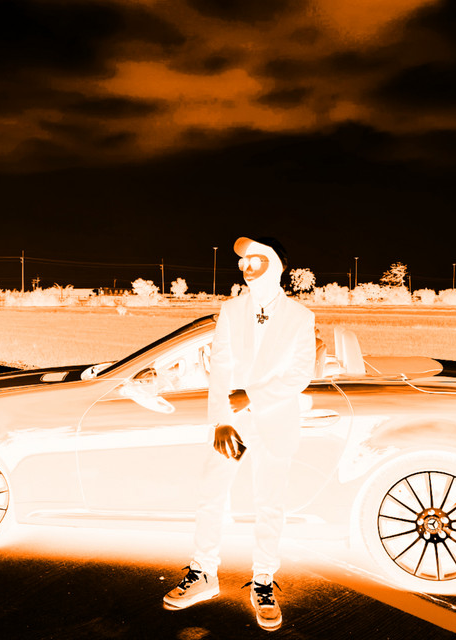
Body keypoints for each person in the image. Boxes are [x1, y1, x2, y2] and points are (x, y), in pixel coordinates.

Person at [163, 236, 316, 631]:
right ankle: (203, 573)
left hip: (275, 422)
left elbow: (300, 374)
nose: (246, 267)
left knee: (270, 504)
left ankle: (263, 581)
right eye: (243, 261)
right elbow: (220, 368)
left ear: (276, 264)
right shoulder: (231, 310)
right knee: (211, 495)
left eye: (255, 260)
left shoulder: (300, 317)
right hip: (233, 422)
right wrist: (220, 420)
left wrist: (253, 395)